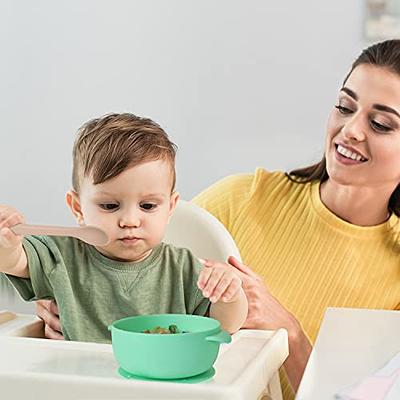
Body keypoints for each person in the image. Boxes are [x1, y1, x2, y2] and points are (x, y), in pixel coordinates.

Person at [35, 39, 400, 400]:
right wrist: (67, 294)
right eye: (344, 106)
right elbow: (130, 262)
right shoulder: (242, 197)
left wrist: (288, 330)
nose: (350, 129)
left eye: (381, 123)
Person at [0, 113, 248, 343]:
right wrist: (7, 242)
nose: (130, 220)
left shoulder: (184, 268)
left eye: (148, 205)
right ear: (77, 207)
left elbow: (224, 327)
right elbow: (13, 261)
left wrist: (230, 295)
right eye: (109, 205)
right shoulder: (59, 257)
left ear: (170, 207)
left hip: (160, 386)